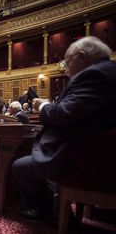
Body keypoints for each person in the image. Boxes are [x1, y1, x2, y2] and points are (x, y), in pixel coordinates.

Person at [12, 36, 116, 220]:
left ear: (82, 56)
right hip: (99, 153)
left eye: (67, 63)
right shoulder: (108, 71)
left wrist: (43, 106)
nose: (66, 71)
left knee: (20, 166)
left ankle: (46, 213)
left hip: (87, 158)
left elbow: (64, 115)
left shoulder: (94, 75)